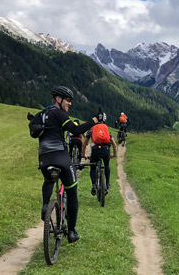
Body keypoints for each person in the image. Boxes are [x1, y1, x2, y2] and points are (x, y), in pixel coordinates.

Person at [37, 86, 103, 244]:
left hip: (44, 158)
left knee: (48, 180)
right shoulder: (59, 113)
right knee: (72, 191)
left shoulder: (41, 114)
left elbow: (33, 131)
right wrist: (94, 120)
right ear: (58, 99)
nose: (70, 103)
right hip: (60, 157)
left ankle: (46, 205)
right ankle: (72, 231)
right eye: (68, 100)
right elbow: (75, 130)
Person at [81, 116, 117, 196]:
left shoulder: (91, 130)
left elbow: (84, 144)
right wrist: (114, 154)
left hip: (95, 150)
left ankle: (94, 185)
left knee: (93, 167)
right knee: (106, 165)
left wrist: (83, 154)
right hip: (106, 149)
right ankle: (107, 184)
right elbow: (114, 144)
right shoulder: (106, 130)